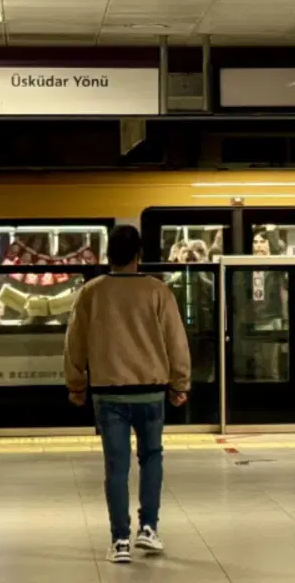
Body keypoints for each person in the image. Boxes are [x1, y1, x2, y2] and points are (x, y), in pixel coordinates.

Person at [65, 225, 191, 564]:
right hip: (151, 393)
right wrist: (180, 385)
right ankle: (148, 528)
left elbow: (74, 343)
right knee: (151, 458)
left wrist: (76, 385)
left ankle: (120, 539)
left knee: (116, 467)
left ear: (109, 255)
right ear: (139, 255)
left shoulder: (91, 292)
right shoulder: (158, 291)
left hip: (108, 395)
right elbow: (176, 342)